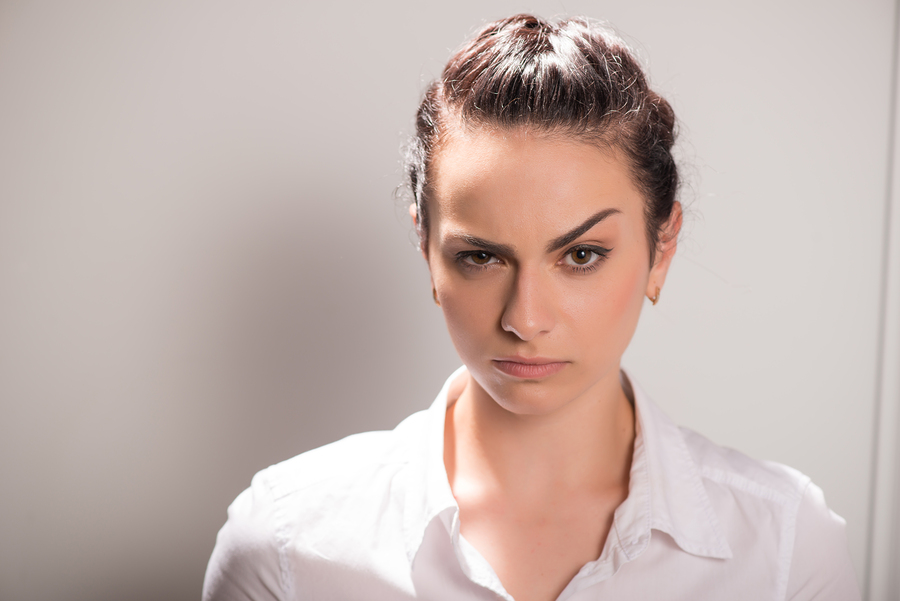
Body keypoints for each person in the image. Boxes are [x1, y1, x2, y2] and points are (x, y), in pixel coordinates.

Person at [202, 14, 859, 600]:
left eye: (580, 256)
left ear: (662, 248)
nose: (525, 318)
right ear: (426, 249)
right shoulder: (285, 546)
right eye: (481, 257)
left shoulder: (784, 548)